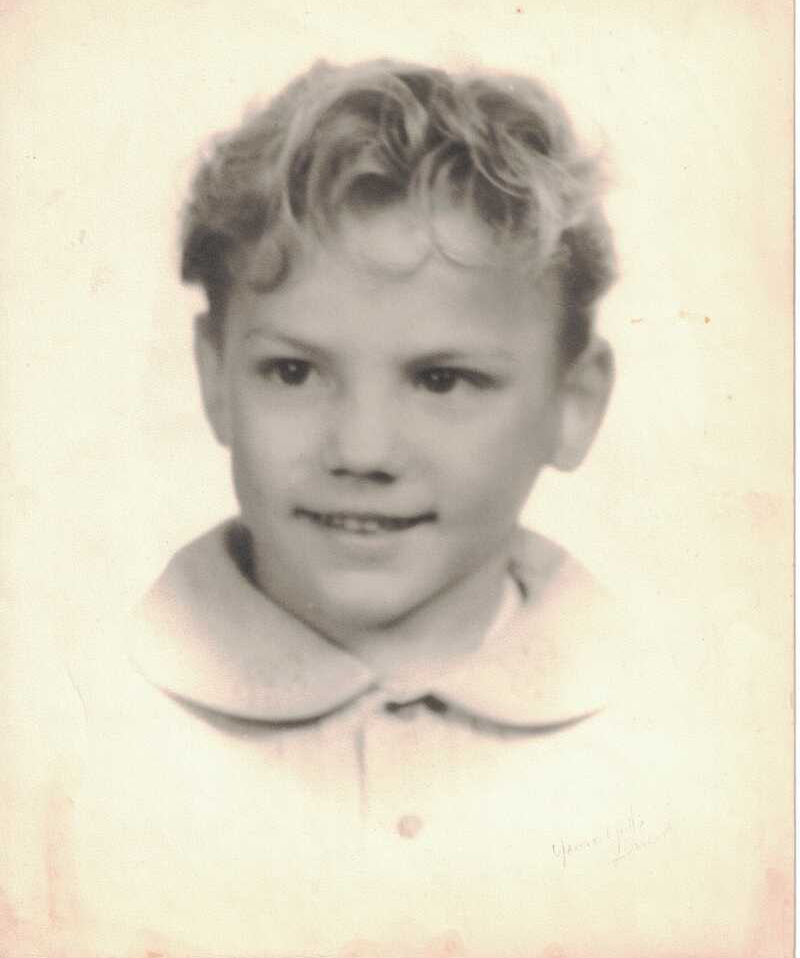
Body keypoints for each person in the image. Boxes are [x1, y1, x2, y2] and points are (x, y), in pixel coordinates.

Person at [38, 59, 713, 958]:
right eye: (293, 371)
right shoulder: (63, 754)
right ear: (215, 377)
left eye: (442, 380)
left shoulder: (697, 764)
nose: (361, 450)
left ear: (575, 402)